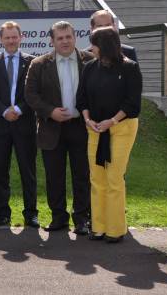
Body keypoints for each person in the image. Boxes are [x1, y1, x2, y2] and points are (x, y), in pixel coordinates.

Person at [24, 21, 93, 234]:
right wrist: (50, 111)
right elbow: (30, 95)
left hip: (81, 128)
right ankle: (58, 218)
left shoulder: (90, 61)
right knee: (54, 176)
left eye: (68, 37)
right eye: (60, 38)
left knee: (82, 175)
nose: (64, 41)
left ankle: (82, 219)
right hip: (51, 128)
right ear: (52, 41)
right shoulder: (39, 64)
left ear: (75, 38)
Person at [76, 27, 142, 243]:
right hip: (95, 129)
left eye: (94, 43)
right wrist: (88, 120)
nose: (90, 48)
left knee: (114, 178)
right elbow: (82, 98)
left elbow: (133, 104)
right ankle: (99, 227)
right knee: (97, 178)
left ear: (104, 46)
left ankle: (115, 229)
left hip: (121, 128)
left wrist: (112, 121)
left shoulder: (130, 68)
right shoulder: (89, 67)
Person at [0, 22, 39, 228]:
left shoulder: (32, 62)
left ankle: (31, 213)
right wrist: (3, 110)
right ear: (0, 39)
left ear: (20, 37)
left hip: (24, 124)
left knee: (28, 171)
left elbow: (34, 93)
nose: (10, 41)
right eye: (7, 37)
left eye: (14, 37)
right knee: (0, 171)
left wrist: (18, 109)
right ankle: (3, 212)